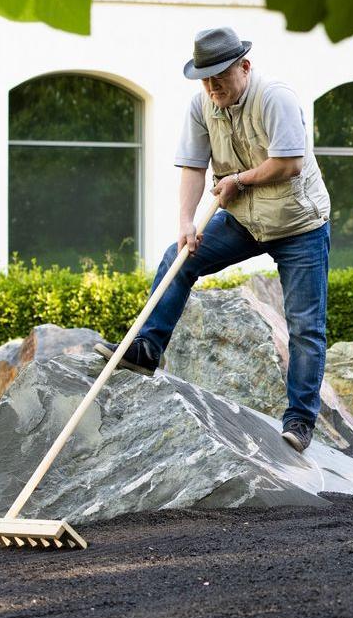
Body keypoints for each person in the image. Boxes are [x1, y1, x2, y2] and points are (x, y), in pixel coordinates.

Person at [95, 27, 331, 453]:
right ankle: (148, 348)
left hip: (300, 226)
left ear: (245, 66)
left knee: (305, 327)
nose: (212, 84)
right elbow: (191, 165)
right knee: (179, 257)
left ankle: (299, 421)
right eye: (204, 77)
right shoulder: (202, 105)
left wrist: (239, 179)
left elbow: (290, 163)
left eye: (220, 74)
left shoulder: (275, 97)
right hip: (244, 220)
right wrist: (186, 220)